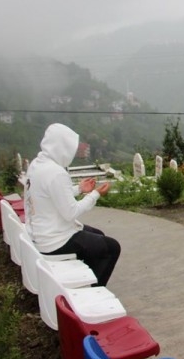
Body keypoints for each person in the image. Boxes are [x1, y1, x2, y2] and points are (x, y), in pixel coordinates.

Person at [24, 123, 120, 287]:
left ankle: (86, 277)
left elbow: (50, 195)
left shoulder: (38, 164)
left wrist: (79, 189)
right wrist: (95, 194)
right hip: (55, 241)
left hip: (40, 234)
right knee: (112, 247)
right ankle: (93, 291)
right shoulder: (56, 172)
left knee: (99, 235)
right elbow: (71, 212)